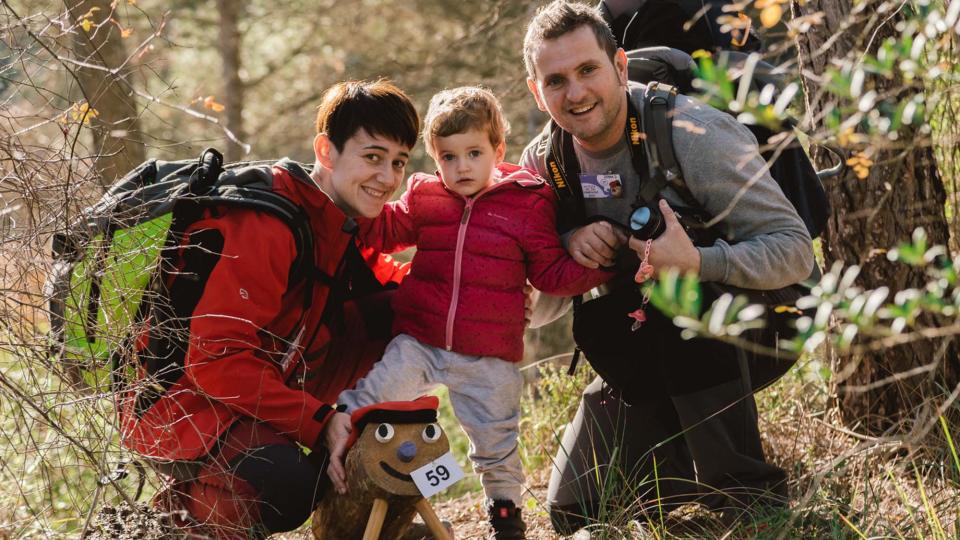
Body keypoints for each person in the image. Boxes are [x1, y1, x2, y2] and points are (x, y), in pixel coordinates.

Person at [519, 1, 816, 533]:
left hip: (764, 320)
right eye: (556, 80)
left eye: (588, 70)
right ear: (536, 92)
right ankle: (678, 464)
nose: (577, 93)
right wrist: (564, 247)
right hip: (640, 340)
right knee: (576, 510)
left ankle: (746, 497)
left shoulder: (691, 134)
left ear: (620, 66)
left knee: (679, 300)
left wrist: (699, 260)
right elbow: (540, 311)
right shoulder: (544, 163)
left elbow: (795, 252)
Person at [118, 80, 419, 539]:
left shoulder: (334, 223)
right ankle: (166, 526)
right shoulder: (268, 224)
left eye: (399, 162)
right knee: (285, 484)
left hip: (249, 386)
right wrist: (318, 421)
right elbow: (215, 360)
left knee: (409, 311)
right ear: (326, 150)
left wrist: (477, 289)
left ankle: (367, 489)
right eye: (373, 157)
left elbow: (395, 288)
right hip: (178, 404)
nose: (388, 178)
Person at [334, 86, 612, 540]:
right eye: (447, 157)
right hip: (420, 341)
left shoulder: (528, 201)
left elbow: (550, 272)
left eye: (473, 153)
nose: (460, 167)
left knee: (496, 442)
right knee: (371, 397)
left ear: (497, 150)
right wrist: (342, 199)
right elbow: (385, 231)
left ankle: (505, 517)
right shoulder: (426, 197)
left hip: (488, 355)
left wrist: (603, 266)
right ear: (434, 156)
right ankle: (337, 469)